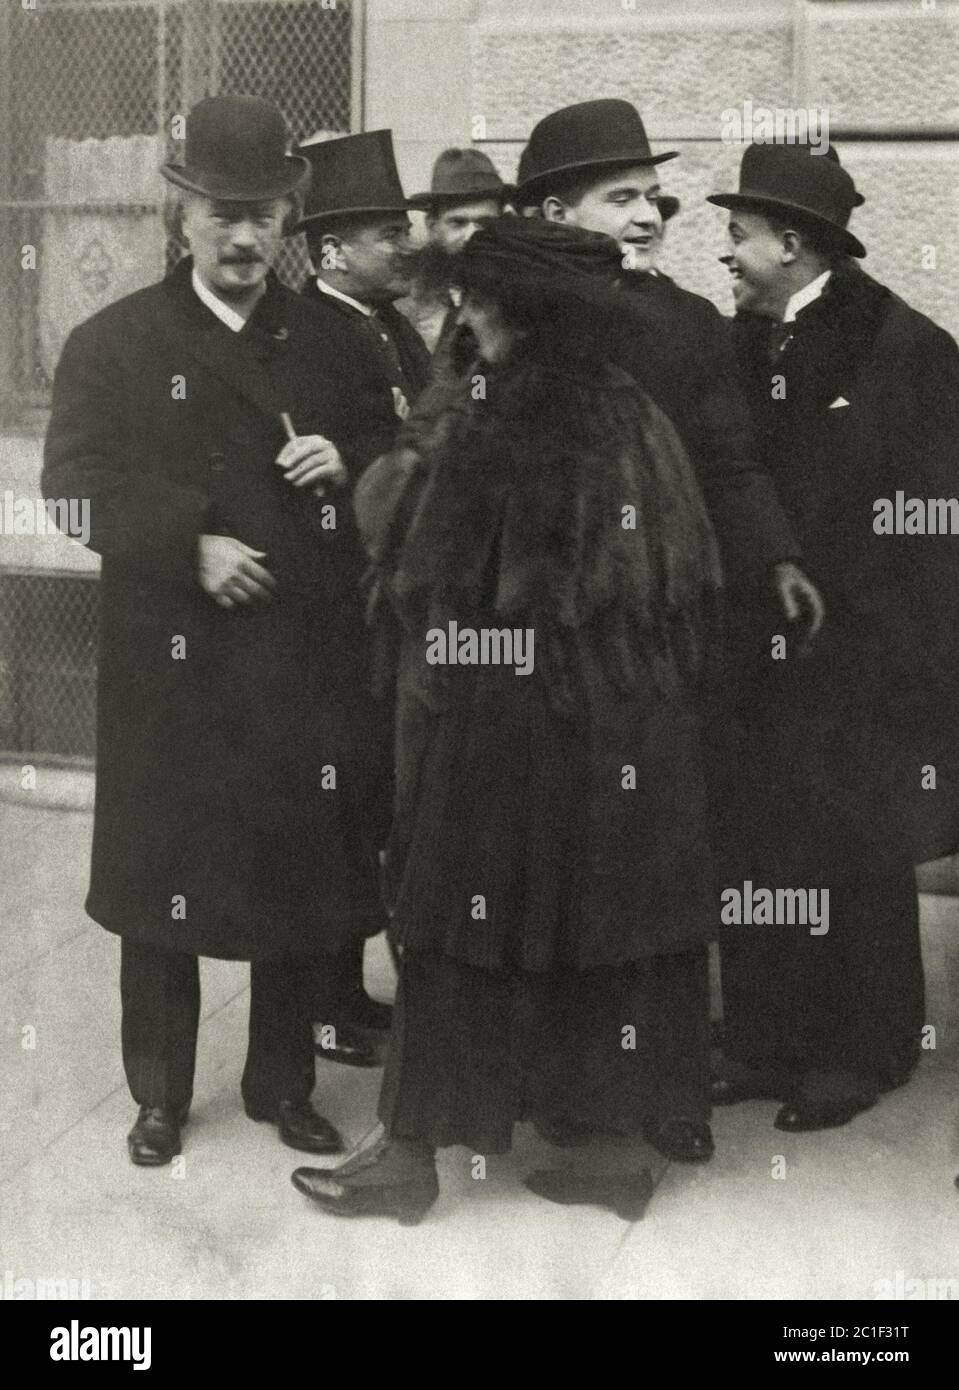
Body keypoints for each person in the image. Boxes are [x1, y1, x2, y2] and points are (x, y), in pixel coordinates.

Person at [290, 217, 728, 1224]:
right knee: (604, 928)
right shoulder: (630, 410)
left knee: (448, 929)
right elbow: (678, 592)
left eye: (476, 300)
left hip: (504, 727)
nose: (461, 315)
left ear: (519, 312)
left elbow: (411, 552)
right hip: (625, 732)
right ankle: (612, 1148)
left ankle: (404, 1158)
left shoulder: (499, 416)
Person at [42, 96, 397, 1166]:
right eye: (222, 214)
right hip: (172, 664)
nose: (245, 238)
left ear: (291, 216)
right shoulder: (114, 341)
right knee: (163, 887)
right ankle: (159, 1092)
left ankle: (282, 1085)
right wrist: (187, 544)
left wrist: (351, 465)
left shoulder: (337, 340)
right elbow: (71, 490)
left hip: (298, 661)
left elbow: (398, 456)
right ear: (181, 213)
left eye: (265, 215)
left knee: (296, 878)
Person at [705, 142, 959, 1130]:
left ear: (790, 243)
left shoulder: (903, 350)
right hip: (757, 651)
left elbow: (934, 516)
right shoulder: (745, 342)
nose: (723, 254)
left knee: (852, 853)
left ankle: (863, 1049)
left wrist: (846, 607)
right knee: (758, 843)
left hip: (860, 658)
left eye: (735, 236)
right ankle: (765, 1039)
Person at [515, 98, 822, 631]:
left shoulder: (692, 321)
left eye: (654, 198)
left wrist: (777, 559)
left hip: (667, 602)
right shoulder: (508, 317)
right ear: (556, 215)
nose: (648, 217)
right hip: (544, 601)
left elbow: (728, 459)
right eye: (622, 199)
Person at [295, 129, 431, 415]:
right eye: (392, 235)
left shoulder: (396, 325)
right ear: (334, 252)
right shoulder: (303, 338)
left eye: (407, 231)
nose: (413, 247)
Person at [399, 147, 509, 352]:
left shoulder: (524, 294)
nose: (471, 236)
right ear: (433, 227)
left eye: (484, 223)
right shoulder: (406, 305)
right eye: (458, 223)